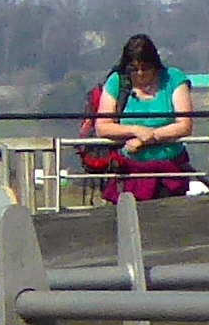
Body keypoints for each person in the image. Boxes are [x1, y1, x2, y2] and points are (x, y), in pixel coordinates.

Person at [83, 33, 195, 202]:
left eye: (146, 67)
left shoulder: (174, 79)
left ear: (155, 65)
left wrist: (148, 138)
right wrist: (135, 130)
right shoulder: (117, 82)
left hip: (169, 171)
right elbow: (102, 126)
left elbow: (185, 125)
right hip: (129, 173)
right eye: (134, 69)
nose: (140, 73)